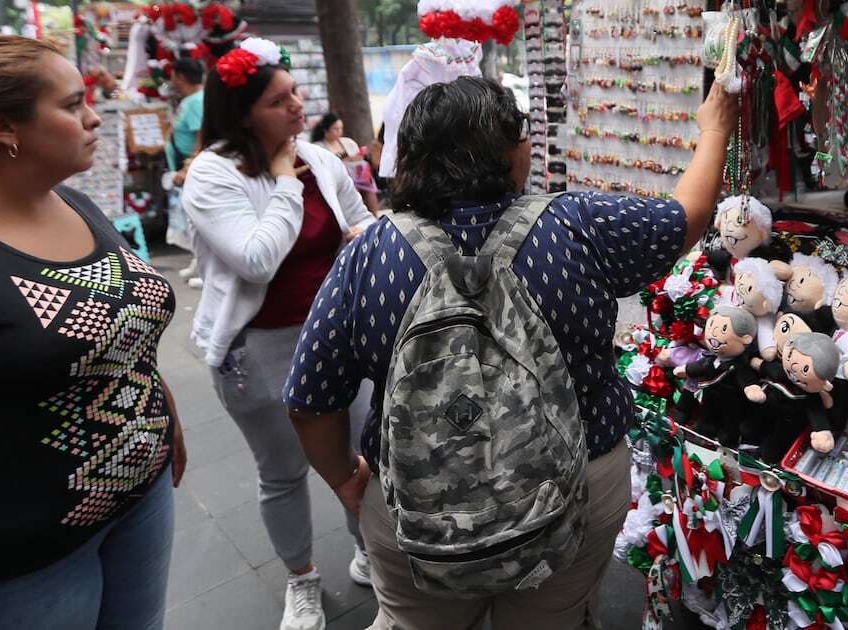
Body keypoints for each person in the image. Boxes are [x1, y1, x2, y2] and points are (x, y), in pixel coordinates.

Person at [285, 76, 736, 629]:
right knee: (552, 615)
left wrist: (347, 478)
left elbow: (310, 398)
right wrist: (714, 127)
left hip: (418, 513)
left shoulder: (369, 255)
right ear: (508, 150)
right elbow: (686, 217)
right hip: (575, 488)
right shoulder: (577, 225)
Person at [0, 35, 186, 630]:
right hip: (13, 565)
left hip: (140, 507)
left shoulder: (75, 203)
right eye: (73, 104)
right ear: (1, 126)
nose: (94, 116)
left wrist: (166, 423)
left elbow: (124, 336)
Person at [180, 37, 377, 630]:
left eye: (294, 93)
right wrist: (282, 181)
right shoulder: (212, 175)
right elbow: (256, 259)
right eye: (278, 100)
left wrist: (360, 239)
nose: (297, 107)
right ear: (241, 112)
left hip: (340, 335)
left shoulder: (321, 159)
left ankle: (371, 549)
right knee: (283, 471)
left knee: (365, 453)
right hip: (259, 349)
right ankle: (302, 579)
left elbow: (362, 221)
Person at [164, 58, 206, 287]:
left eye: (173, 76)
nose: (171, 81)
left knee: (196, 219)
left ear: (180, 76)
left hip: (190, 167)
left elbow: (200, 135)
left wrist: (188, 165)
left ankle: (203, 265)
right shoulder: (192, 100)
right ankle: (197, 261)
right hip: (186, 165)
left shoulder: (196, 101)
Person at [310, 112, 380, 214]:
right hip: (337, 179)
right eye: (335, 129)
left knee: (368, 189)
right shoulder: (318, 147)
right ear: (326, 130)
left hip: (358, 177)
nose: (339, 132)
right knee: (353, 189)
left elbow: (357, 157)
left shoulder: (348, 142)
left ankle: (375, 215)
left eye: (340, 128)